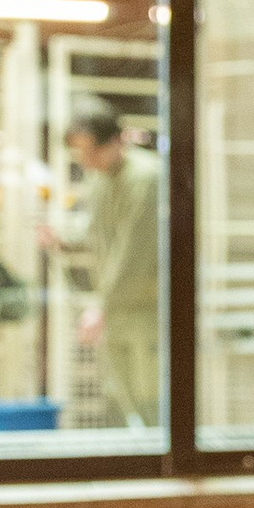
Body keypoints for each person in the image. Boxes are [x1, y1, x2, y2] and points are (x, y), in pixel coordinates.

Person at [62, 105, 160, 428]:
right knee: (121, 395)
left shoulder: (146, 178)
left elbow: (134, 252)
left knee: (153, 398)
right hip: (116, 308)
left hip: (148, 307)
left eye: (90, 151)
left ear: (115, 142)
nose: (85, 161)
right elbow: (95, 231)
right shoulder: (100, 179)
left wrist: (100, 306)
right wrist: (61, 238)